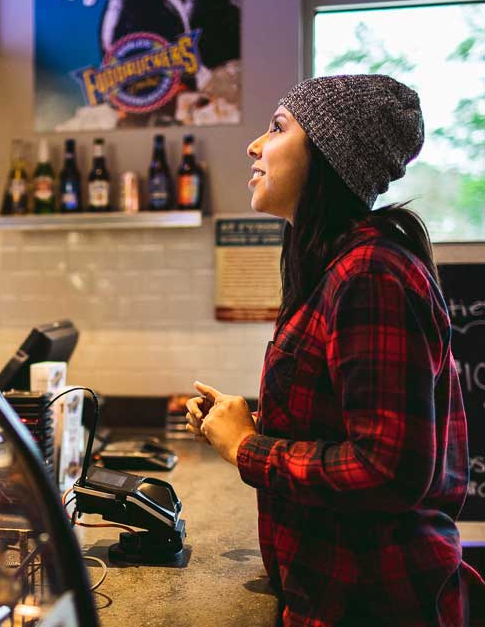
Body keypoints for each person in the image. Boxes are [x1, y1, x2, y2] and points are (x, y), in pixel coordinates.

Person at [185, 75, 485, 625]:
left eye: (277, 128)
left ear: (329, 155)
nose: (254, 145)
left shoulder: (372, 274)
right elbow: (339, 418)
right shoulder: (336, 267)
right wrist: (245, 419)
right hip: (333, 592)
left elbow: (388, 470)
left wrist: (247, 447)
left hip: (374, 601)